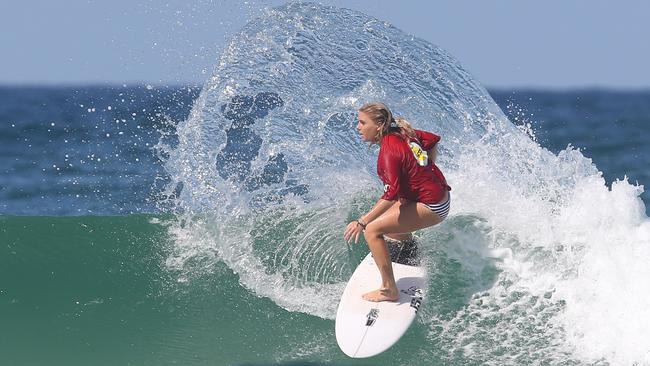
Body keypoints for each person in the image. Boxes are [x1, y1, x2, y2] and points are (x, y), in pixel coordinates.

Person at [343, 102, 451, 302]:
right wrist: (425, 168)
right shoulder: (401, 131)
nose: (358, 127)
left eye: (362, 122)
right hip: (438, 195)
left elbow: (390, 195)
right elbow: (433, 140)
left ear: (378, 125)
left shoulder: (388, 152)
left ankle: (389, 289)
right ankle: (408, 247)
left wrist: (362, 222)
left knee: (373, 230)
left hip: (433, 206)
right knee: (387, 221)